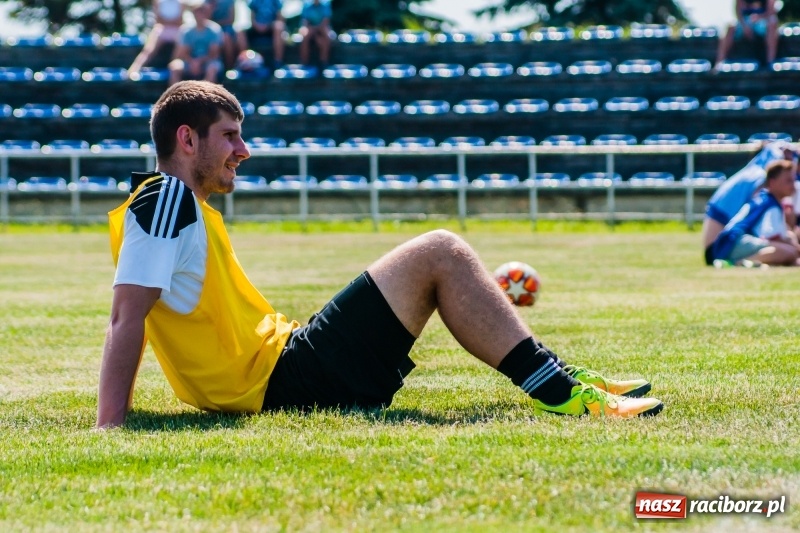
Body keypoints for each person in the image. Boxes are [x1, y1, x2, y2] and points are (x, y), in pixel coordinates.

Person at [96, 81, 664, 429]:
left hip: (286, 363)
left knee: (438, 251)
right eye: (229, 136)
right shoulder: (165, 199)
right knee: (441, 250)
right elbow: (128, 317)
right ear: (187, 139)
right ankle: (558, 391)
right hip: (283, 380)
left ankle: (556, 376)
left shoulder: (174, 205)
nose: (244, 150)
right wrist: (110, 426)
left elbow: (142, 313)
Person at [701, 141, 796, 263]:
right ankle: (738, 263)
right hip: (723, 245)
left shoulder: (754, 179)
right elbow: (772, 235)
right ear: (773, 181)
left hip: (723, 243)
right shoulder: (762, 187)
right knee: (787, 252)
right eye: (788, 180)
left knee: (788, 250)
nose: (793, 184)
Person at [168, 0, 224, 86]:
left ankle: (205, 92)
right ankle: (175, 92)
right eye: (197, 11)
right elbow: (183, 52)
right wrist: (192, 62)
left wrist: (199, 62)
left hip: (208, 61)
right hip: (190, 61)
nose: (199, 14)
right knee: (174, 67)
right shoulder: (186, 30)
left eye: (202, 11)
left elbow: (214, 54)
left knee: (212, 68)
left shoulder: (215, 30)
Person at [714, 0, 779, 69]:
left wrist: (759, 17)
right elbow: (738, 11)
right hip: (745, 22)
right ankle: (719, 63)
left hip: (762, 21)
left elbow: (771, 12)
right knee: (730, 26)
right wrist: (744, 26)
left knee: (773, 23)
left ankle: (770, 62)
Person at [128, 0, 185, 75]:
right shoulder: (158, 2)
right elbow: (158, 20)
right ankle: (133, 70)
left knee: (180, 47)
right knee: (148, 49)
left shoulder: (181, 3)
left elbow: (180, 21)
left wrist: (165, 21)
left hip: (176, 31)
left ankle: (172, 68)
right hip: (161, 29)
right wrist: (171, 22)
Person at [244, 0, 285, 69]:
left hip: (271, 28)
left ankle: (278, 62)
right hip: (257, 28)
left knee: (279, 27)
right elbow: (252, 18)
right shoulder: (254, 1)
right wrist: (258, 26)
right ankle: (244, 61)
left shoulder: (276, 1)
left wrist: (268, 26)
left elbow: (280, 18)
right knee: (240, 32)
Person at [208, 0, 247, 69]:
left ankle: (245, 63)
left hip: (228, 28)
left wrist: (220, 22)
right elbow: (207, 19)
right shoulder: (208, 2)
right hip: (215, 30)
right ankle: (230, 67)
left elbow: (232, 19)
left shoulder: (230, 1)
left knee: (240, 34)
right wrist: (211, 8)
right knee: (227, 38)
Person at [298, 0, 332, 67]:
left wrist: (316, 31)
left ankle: (324, 61)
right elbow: (305, 22)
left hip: (321, 30)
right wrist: (313, 31)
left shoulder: (325, 5)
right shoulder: (306, 5)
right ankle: (304, 62)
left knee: (325, 35)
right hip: (310, 29)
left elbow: (325, 22)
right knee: (305, 35)